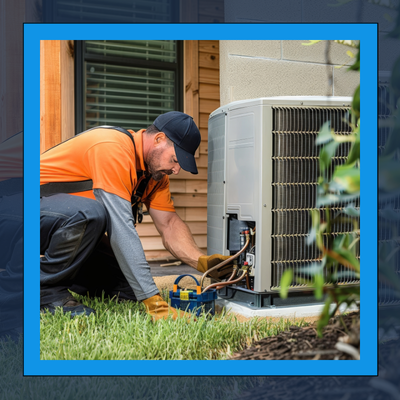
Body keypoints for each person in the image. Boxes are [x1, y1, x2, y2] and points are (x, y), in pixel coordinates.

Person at [40, 111, 231, 321]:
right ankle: (44, 292)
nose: (176, 170)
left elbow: (168, 224)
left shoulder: (154, 176)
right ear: (159, 139)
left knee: (128, 286)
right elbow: (120, 227)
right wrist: (154, 303)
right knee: (91, 213)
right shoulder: (112, 147)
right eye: (175, 160)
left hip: (62, 223)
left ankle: (67, 281)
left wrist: (201, 262)